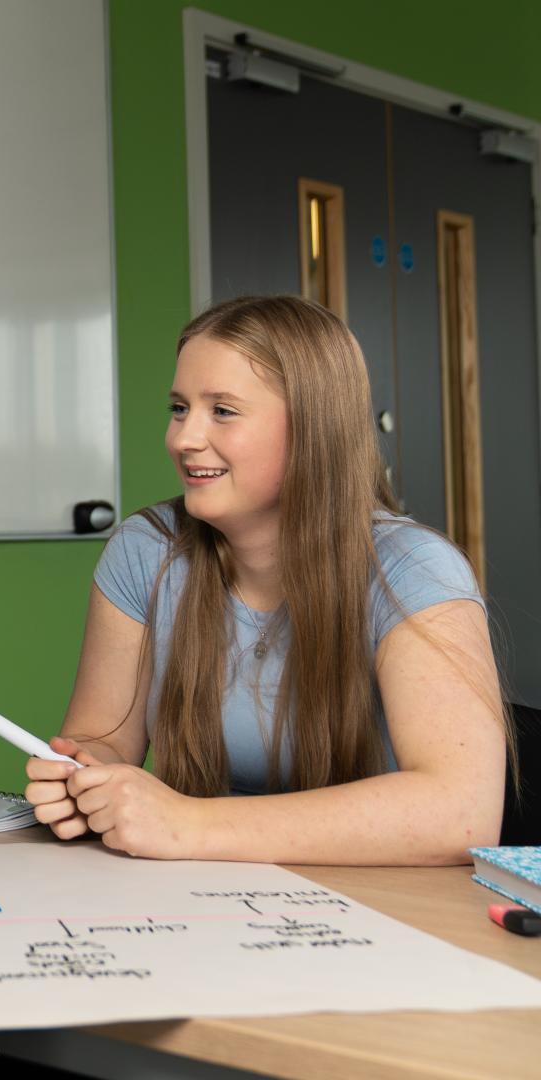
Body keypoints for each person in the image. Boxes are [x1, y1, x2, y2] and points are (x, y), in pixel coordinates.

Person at [25, 295, 507, 864]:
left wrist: (189, 824)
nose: (182, 439)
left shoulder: (414, 568)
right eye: (179, 408)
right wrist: (86, 778)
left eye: (222, 411)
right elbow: (103, 740)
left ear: (313, 429)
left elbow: (461, 814)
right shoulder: (145, 549)